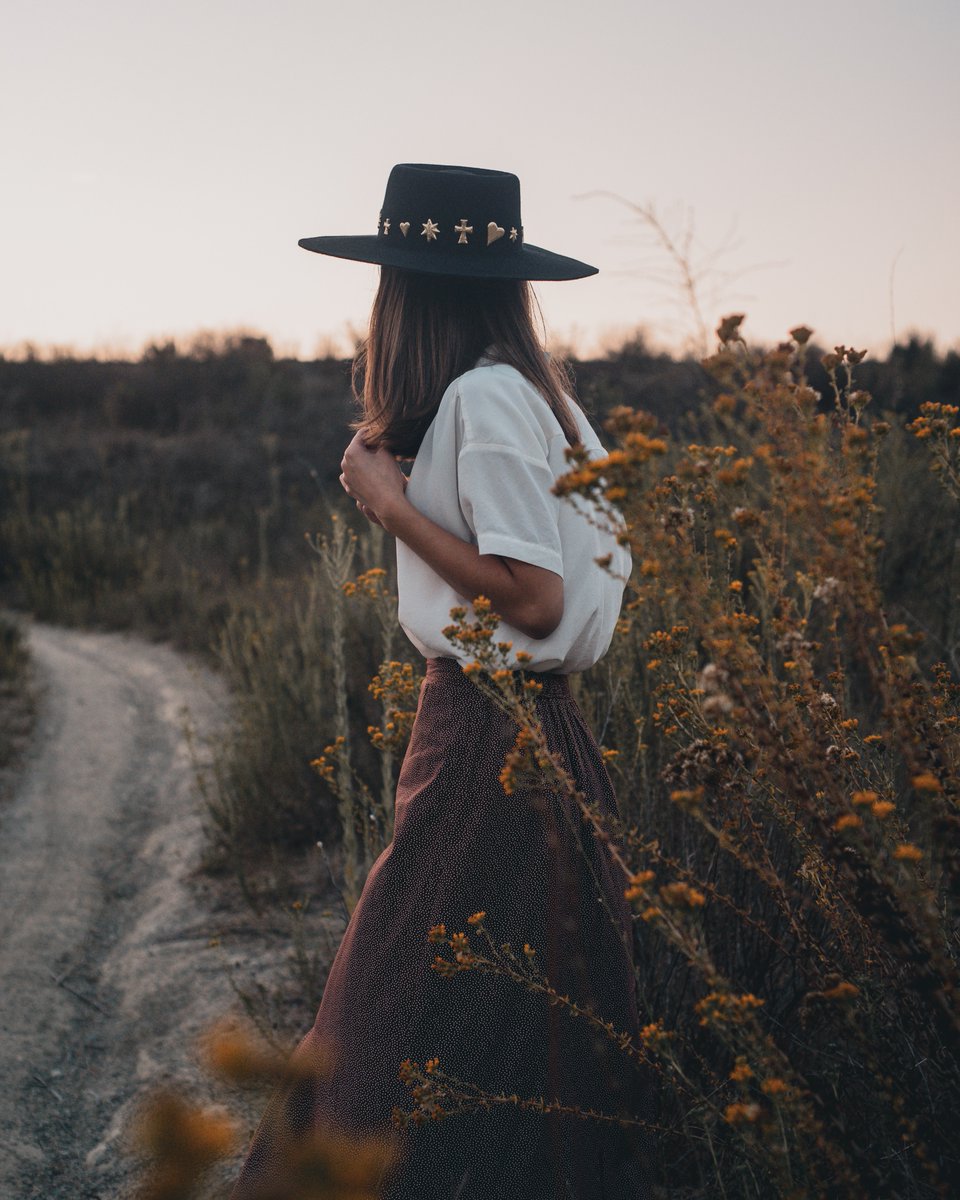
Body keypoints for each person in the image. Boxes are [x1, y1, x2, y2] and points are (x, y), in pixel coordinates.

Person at [230, 163, 657, 1200]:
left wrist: (389, 505)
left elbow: (536, 598)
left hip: (487, 736)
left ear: (407, 292)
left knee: (389, 1020)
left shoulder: (489, 397)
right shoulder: (537, 396)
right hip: (521, 731)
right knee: (506, 1021)